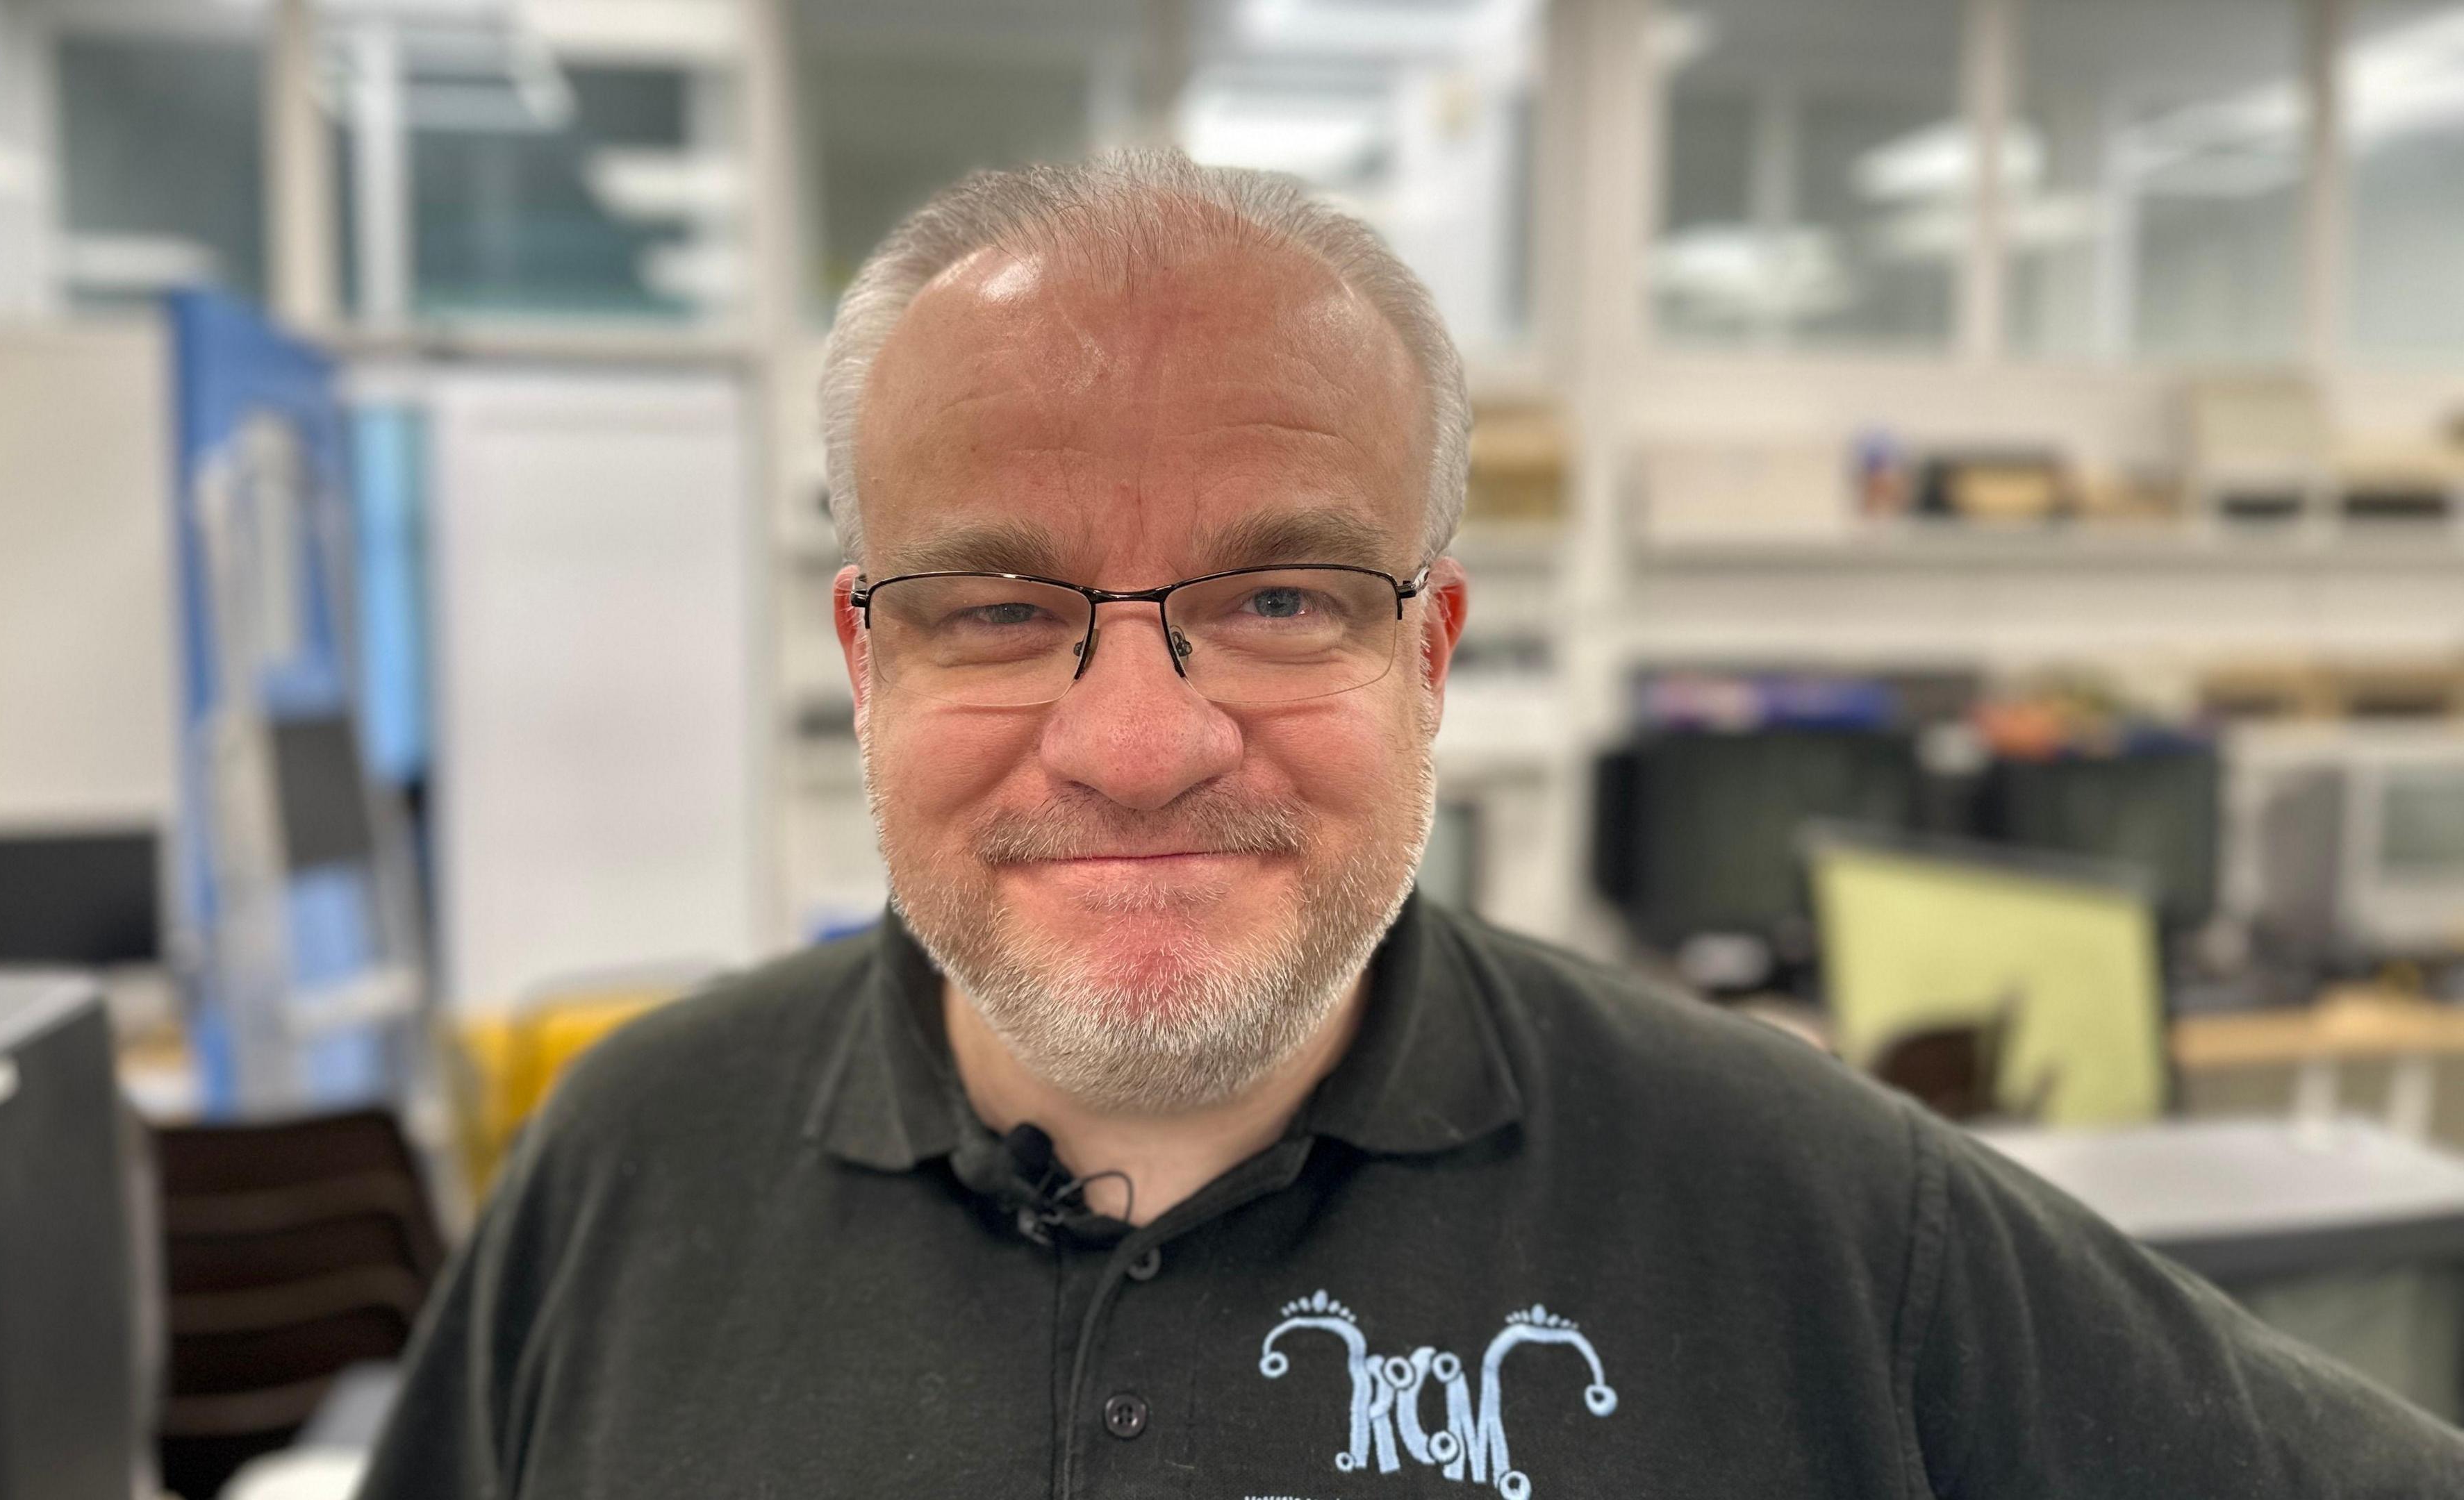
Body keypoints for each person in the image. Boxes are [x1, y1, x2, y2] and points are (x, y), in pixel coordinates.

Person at [356, 151, 2464, 1499]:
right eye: (998, 607)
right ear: (870, 659)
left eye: (1277, 600)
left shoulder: (1814, 1213)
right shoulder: (627, 1170)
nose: (1137, 742)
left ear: (1431, 654)